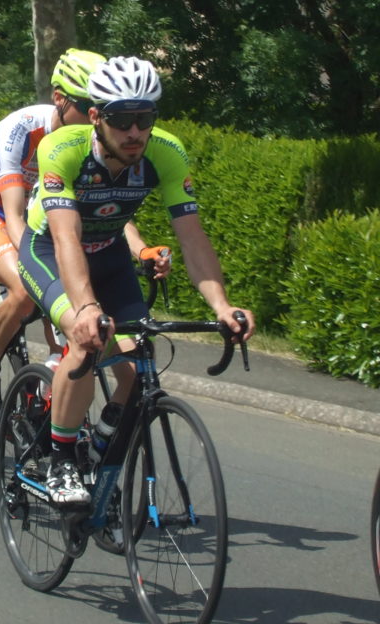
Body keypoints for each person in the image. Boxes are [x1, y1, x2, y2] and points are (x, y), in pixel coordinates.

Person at [17, 55, 255, 504]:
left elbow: (192, 238)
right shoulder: (62, 149)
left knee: (138, 362)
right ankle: (61, 461)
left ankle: (100, 445)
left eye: (144, 119)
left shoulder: (166, 153)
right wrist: (87, 308)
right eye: (121, 119)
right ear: (95, 117)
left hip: (109, 255)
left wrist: (222, 306)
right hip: (49, 251)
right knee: (85, 340)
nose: (134, 132)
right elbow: (66, 237)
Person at [0, 48, 170, 427]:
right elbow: (14, 214)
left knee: (77, 311)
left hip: (51, 220)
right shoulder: (21, 128)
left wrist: (140, 249)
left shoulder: (96, 144)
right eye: (87, 105)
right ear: (59, 99)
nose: (98, 114)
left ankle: (55, 393)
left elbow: (104, 214)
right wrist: (40, 267)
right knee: (27, 287)